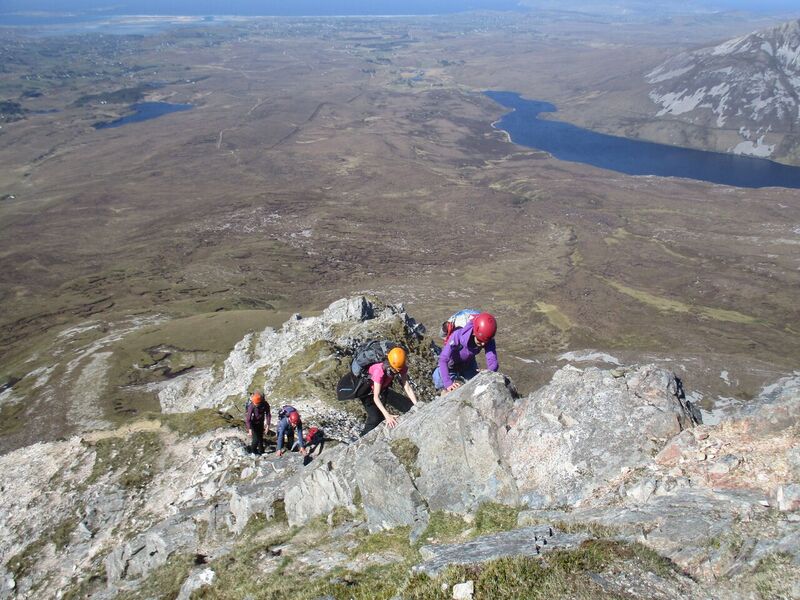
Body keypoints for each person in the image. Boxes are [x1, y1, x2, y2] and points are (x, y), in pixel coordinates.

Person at [433, 312, 498, 394]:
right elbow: (443, 359)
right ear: (474, 332)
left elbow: (492, 360)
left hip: (468, 363)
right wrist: (448, 384)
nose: (483, 344)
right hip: (451, 365)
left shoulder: (487, 337)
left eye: (486, 342)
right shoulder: (458, 335)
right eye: (480, 341)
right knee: (446, 388)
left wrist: (489, 371)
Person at [359, 346, 418, 436]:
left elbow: (407, 387)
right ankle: (361, 439)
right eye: (395, 369)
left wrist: (417, 405)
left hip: (383, 388)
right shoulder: (380, 371)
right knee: (375, 418)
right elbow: (376, 397)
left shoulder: (401, 366)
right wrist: (388, 416)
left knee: (408, 405)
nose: (396, 371)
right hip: (367, 392)